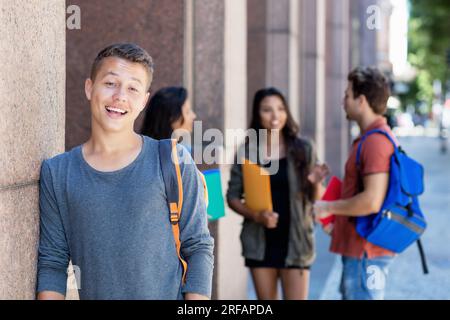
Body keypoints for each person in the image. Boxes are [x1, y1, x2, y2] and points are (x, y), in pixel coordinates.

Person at [36, 43, 214, 300]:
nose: (120, 96)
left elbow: (198, 246)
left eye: (132, 88)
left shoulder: (173, 159)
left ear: (143, 101)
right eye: (110, 83)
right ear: (89, 88)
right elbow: (53, 261)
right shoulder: (57, 172)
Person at [226, 87, 328, 300]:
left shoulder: (304, 148)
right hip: (260, 243)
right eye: (267, 110)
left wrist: (316, 183)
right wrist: (256, 216)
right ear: (257, 114)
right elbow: (232, 196)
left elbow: (318, 198)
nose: (275, 116)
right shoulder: (247, 151)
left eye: (280, 109)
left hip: (296, 242)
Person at [314, 66, 397, 300]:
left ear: (361, 100)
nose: (343, 101)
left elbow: (371, 201)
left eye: (347, 95)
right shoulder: (369, 139)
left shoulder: (374, 143)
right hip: (360, 248)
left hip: (365, 251)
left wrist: (328, 207)